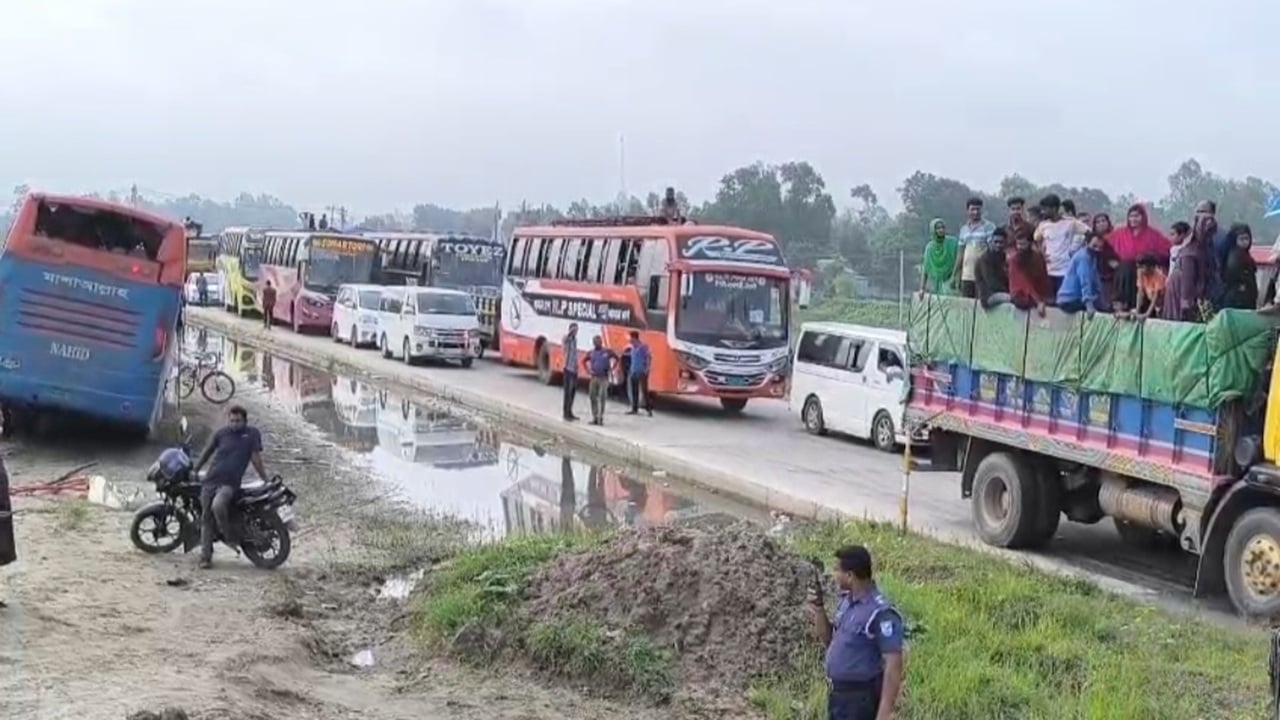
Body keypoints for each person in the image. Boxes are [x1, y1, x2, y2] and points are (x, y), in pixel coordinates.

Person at [808, 545, 905, 720]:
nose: (833, 574)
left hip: (860, 700)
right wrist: (819, 609)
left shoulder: (880, 612)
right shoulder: (846, 603)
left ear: (850, 576)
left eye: (837, 570)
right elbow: (829, 640)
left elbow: (894, 665)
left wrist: (884, 714)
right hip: (839, 697)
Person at [191, 405, 270, 569]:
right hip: (210, 480)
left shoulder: (252, 434)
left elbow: (256, 459)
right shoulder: (221, 433)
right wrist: (196, 469)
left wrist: (264, 478)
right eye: (232, 420)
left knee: (218, 505)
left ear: (245, 421)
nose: (235, 424)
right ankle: (205, 557)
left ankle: (229, 536)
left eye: (238, 421)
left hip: (229, 484)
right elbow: (207, 452)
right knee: (205, 518)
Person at [1108, 204, 1170, 313]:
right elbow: (1105, 246)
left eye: (1137, 216)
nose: (1133, 219)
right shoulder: (1120, 233)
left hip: (1145, 272)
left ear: (1143, 217)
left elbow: (1167, 249)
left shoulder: (1153, 234)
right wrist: (1111, 261)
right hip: (1125, 273)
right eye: (1131, 216)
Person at [1033, 194, 1091, 296]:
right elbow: (1036, 239)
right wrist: (1041, 253)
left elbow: (1089, 233)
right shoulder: (1043, 225)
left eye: (1045, 209)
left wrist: (1079, 250)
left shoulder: (1070, 223)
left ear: (1054, 208)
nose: (1043, 212)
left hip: (1065, 270)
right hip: (1049, 269)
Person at [1164, 218, 1211, 322]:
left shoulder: (1189, 252)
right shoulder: (1181, 250)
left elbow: (1188, 277)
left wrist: (1186, 298)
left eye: (1173, 234)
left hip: (1181, 289)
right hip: (1175, 286)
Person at [953, 197, 997, 299]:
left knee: (981, 304)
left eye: (978, 209)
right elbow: (960, 253)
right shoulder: (964, 229)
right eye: (973, 209)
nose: (976, 212)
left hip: (983, 274)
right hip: (966, 275)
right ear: (967, 211)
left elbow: (993, 249)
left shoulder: (989, 227)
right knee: (966, 305)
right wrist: (955, 274)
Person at [1056, 232, 1106, 315]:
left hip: (1076, 298)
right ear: (1087, 243)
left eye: (1100, 247)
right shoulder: (1083, 257)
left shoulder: (1093, 257)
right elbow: (1085, 280)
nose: (1097, 249)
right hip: (1069, 299)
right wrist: (1089, 305)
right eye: (1094, 246)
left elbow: (1096, 281)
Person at [1008, 227, 1051, 316]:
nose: (1020, 247)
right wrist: (1038, 301)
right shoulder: (1014, 259)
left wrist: (1045, 298)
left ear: (1030, 244)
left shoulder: (1038, 258)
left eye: (1023, 244)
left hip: (1038, 294)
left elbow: (1044, 279)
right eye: (1018, 244)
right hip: (1021, 295)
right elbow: (1024, 283)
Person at [1221, 223, 1259, 310]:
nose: (1245, 242)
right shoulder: (1235, 256)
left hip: (1244, 296)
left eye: (1247, 238)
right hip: (1238, 298)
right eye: (1241, 239)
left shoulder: (1244, 255)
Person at [1087, 214, 1121, 310]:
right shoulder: (1091, 239)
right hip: (1095, 274)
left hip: (1111, 276)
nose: (1101, 224)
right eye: (1098, 222)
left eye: (1103, 221)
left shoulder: (1116, 237)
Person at [583, 335, 618, 426]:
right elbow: (584, 361)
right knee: (592, 396)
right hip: (594, 377)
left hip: (604, 378)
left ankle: (600, 417)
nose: (597, 343)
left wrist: (612, 368)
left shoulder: (607, 352)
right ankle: (595, 417)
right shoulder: (591, 353)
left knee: (602, 396)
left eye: (598, 341)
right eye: (595, 342)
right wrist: (588, 370)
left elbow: (616, 358)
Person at [919, 219, 958, 296]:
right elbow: (925, 269)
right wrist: (922, 288)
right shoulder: (929, 248)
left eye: (943, 227)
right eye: (938, 228)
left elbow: (959, 261)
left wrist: (954, 278)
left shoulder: (952, 242)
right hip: (935, 284)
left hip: (952, 281)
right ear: (933, 230)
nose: (941, 230)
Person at [974, 227, 1011, 308]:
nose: (998, 245)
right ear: (991, 242)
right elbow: (991, 282)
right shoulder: (985, 258)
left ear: (1006, 243)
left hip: (1000, 292)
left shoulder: (1004, 257)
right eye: (996, 242)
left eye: (1001, 242)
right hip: (988, 296)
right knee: (1014, 300)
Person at [625, 330, 653, 416]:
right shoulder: (632, 348)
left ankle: (649, 409)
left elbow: (648, 357)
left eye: (630, 338)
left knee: (644, 391)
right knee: (634, 391)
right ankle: (634, 409)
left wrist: (647, 369)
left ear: (634, 338)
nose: (629, 340)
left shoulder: (643, 347)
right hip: (633, 371)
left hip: (642, 372)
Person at [1132, 253, 1167, 320]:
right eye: (1139, 267)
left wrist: (1147, 314)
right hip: (1149, 298)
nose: (1140, 270)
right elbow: (1140, 292)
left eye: (1142, 267)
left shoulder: (1158, 275)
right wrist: (1137, 310)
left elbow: (1155, 296)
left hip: (1162, 302)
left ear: (1150, 267)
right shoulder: (1140, 272)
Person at [561, 323, 580, 421]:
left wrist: (577, 365)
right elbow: (565, 342)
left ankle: (570, 411)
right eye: (575, 330)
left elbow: (575, 353)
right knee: (567, 392)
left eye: (577, 330)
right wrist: (570, 333)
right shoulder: (567, 339)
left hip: (574, 369)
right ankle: (565, 413)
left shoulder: (575, 340)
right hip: (567, 368)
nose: (576, 332)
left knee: (573, 391)